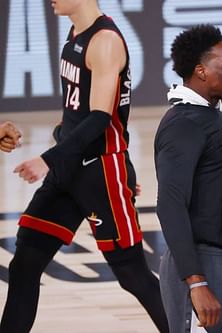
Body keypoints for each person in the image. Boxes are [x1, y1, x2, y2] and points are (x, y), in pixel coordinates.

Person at [0, 1, 169, 332]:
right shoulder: (75, 33)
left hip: (100, 173)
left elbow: (99, 120)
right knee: (25, 263)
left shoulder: (105, 41)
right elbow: (76, 116)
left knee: (132, 274)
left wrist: (49, 159)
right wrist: (59, 141)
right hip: (70, 168)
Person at [154, 25, 222, 333]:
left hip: (221, 258)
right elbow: (170, 203)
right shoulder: (185, 124)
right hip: (203, 262)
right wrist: (196, 281)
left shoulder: (210, 115)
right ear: (201, 71)